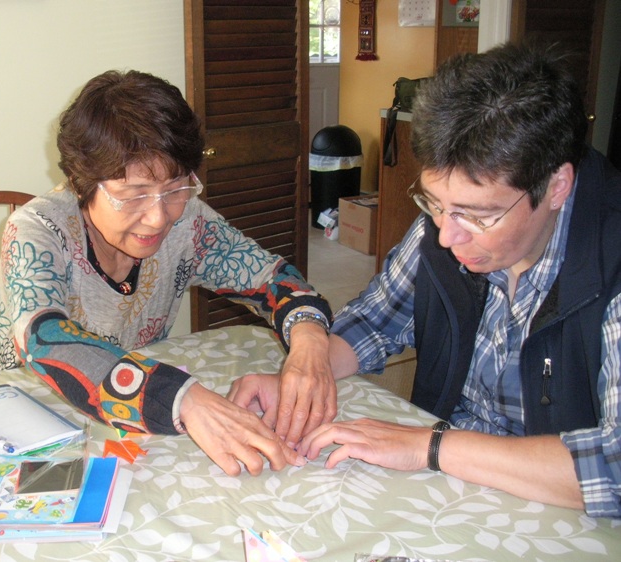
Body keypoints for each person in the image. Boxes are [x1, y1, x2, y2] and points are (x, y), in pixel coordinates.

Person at [229, 42, 621, 517]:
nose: (448, 234)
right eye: (435, 203)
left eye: (478, 216)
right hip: (455, 492)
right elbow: (375, 321)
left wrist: (430, 446)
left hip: (561, 514)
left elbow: (614, 470)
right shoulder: (445, 226)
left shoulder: (609, 261)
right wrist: (309, 374)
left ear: (556, 186)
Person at [0, 69, 336, 476]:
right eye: (134, 195)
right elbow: (47, 340)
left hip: (129, 416)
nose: (157, 217)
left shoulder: (187, 223)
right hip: (21, 412)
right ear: (82, 182)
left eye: (177, 187)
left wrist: (309, 341)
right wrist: (184, 398)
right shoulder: (37, 230)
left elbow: (273, 280)